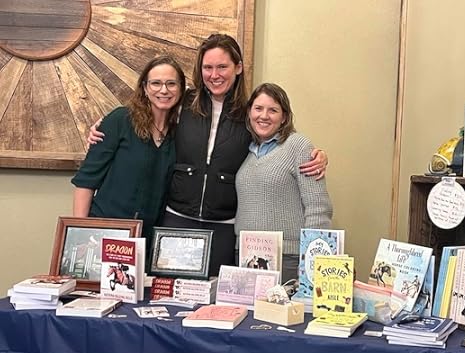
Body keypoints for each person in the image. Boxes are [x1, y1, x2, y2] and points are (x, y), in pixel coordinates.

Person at [88, 34, 328, 277]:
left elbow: (276, 140)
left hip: (223, 228)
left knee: (214, 304)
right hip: (176, 220)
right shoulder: (182, 101)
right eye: (208, 67)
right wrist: (101, 127)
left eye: (222, 67)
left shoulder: (249, 112)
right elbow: (148, 113)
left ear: (238, 68)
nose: (215, 75)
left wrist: (316, 155)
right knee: (169, 296)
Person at [72, 55, 186, 241]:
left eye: (171, 84)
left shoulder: (179, 133)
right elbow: (86, 181)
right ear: (144, 87)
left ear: (181, 89)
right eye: (156, 83)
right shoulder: (120, 120)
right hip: (105, 233)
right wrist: (79, 233)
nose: (163, 90)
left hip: (147, 239)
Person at [235, 83, 333, 282]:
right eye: (258, 108)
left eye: (273, 110)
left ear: (284, 117)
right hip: (246, 257)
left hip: (288, 259)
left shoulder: (298, 146)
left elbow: (318, 207)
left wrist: (311, 260)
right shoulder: (246, 151)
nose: (264, 116)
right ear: (249, 112)